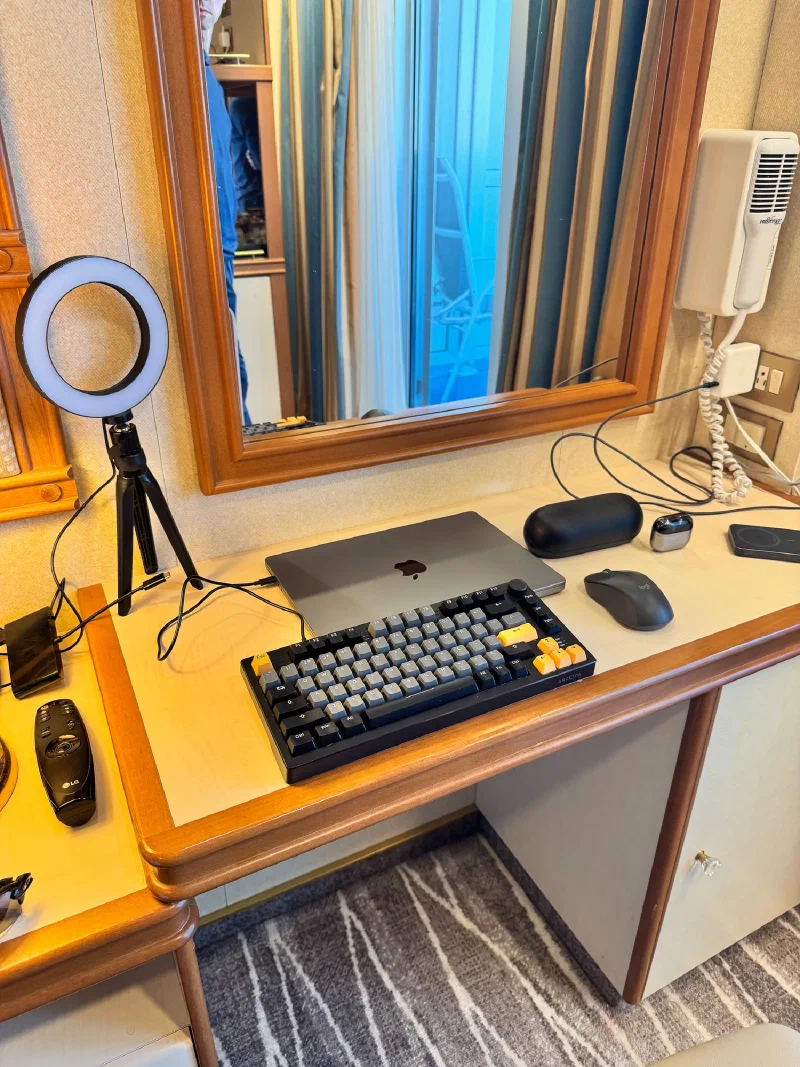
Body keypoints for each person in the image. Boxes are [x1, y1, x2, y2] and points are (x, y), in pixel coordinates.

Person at [198, 0, 251, 425]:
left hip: (223, 242)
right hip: (209, 248)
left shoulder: (211, 87)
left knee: (231, 367)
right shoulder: (190, 79)